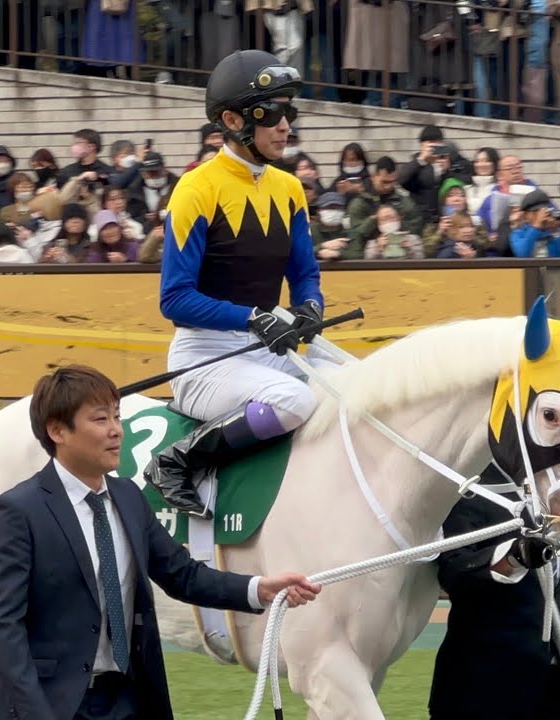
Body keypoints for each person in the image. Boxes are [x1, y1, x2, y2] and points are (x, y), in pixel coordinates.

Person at [0, 366, 321, 720]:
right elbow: (3, 627)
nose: (116, 430)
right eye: (100, 419)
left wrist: (259, 589)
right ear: (57, 430)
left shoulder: (128, 495)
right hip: (53, 706)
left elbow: (182, 574)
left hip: (130, 701)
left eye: (117, 416)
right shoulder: (17, 511)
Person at [145, 50, 326, 519]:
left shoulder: (288, 188)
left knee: (352, 390)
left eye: (291, 111)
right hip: (205, 359)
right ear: (231, 119)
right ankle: (177, 461)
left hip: (264, 353)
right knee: (294, 401)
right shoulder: (195, 188)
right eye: (272, 113)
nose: (286, 125)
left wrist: (309, 306)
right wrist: (253, 317)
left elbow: (305, 272)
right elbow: (175, 299)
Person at [429, 468, 560, 720]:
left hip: (552, 687)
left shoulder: (551, 486)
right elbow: (454, 570)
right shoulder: (471, 487)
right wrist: (513, 557)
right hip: (480, 692)